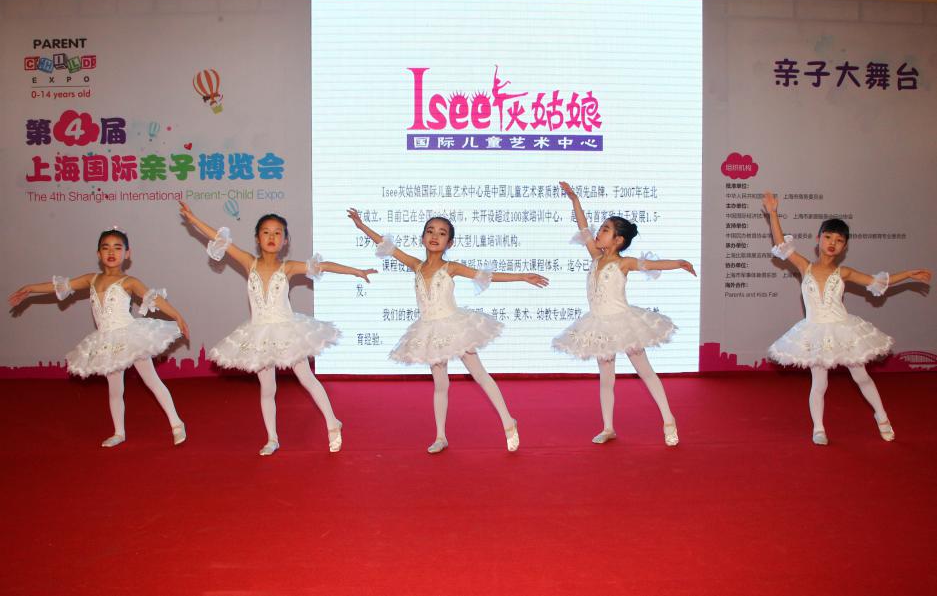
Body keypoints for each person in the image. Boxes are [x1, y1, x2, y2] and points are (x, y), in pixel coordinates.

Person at [180, 202, 375, 456]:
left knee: (307, 379)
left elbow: (324, 265)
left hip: (287, 332)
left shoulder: (288, 267)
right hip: (259, 333)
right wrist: (193, 219)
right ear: (257, 238)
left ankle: (332, 424)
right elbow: (219, 239)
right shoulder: (249, 262)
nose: (271, 237)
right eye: (266, 232)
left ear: (285, 240)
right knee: (267, 388)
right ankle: (272, 438)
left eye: (277, 233)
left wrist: (357, 271)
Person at [348, 208, 548, 453]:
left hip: (456, 326)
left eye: (442, 233)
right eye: (430, 231)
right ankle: (441, 436)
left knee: (480, 374)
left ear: (449, 243)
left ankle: (508, 422)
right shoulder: (416, 265)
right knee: (440, 383)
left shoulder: (451, 267)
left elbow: (486, 275)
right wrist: (361, 225)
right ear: (422, 238)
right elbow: (387, 246)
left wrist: (522, 276)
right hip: (430, 331)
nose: (435, 236)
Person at [763, 191, 931, 444]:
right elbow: (780, 244)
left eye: (839, 240)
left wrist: (907, 274)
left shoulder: (844, 272)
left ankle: (882, 417)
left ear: (844, 247)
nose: (833, 242)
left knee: (861, 376)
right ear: (818, 239)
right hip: (814, 331)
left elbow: (877, 282)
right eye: (828, 237)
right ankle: (819, 428)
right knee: (819, 384)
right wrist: (773, 213)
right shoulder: (804, 266)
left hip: (843, 329)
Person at [9, 227, 188, 448]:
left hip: (131, 337)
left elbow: (155, 299)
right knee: (115, 389)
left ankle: (177, 424)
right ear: (98, 254)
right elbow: (60, 286)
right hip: (107, 342)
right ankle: (119, 432)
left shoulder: (129, 281)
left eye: (117, 247)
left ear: (127, 254)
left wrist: (177, 316)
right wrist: (30, 288)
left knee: (152, 381)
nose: (111, 252)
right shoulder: (91, 279)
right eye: (106, 248)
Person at [553, 182, 696, 446]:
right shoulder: (595, 256)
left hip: (624, 323)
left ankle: (668, 420)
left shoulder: (623, 263)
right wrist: (574, 200)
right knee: (606, 377)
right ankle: (608, 427)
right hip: (598, 324)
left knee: (645, 371)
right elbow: (583, 228)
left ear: (618, 240)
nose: (599, 232)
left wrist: (678, 263)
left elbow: (651, 264)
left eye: (605, 230)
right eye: (601, 228)